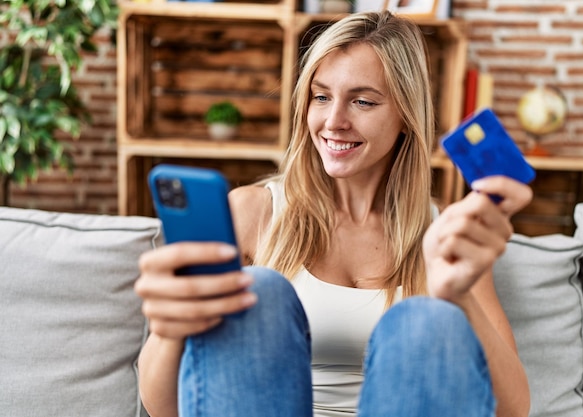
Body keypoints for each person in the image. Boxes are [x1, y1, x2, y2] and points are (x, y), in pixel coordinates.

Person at [134, 10, 532, 417]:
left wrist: (458, 298)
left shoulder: (446, 235)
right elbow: (163, 407)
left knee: (423, 320)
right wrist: (169, 331)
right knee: (261, 291)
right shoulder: (253, 213)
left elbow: (513, 410)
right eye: (321, 96)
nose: (333, 121)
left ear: (406, 118)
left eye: (362, 101)